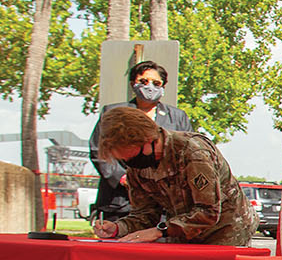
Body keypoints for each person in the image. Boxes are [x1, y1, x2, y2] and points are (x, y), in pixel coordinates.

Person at [89, 105, 255, 246]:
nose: (130, 164)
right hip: (180, 230)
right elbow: (145, 215)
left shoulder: (193, 151)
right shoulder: (138, 164)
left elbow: (208, 213)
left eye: (131, 157)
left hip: (225, 229)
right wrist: (118, 228)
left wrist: (160, 231)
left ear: (147, 140)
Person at [89, 59, 193, 221]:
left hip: (163, 205)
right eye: (143, 81)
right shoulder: (113, 112)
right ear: (133, 84)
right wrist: (123, 178)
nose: (149, 86)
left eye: (156, 83)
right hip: (120, 204)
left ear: (163, 87)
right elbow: (98, 150)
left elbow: (187, 153)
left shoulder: (177, 117)